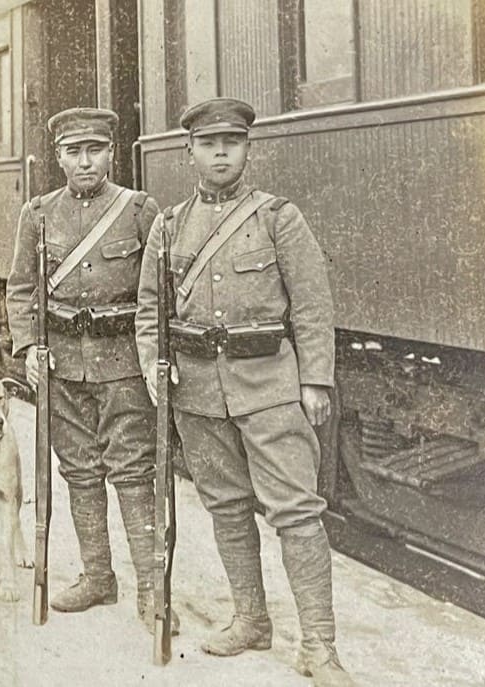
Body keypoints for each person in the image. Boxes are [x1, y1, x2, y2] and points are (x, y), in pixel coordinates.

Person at [135, 98, 352, 686]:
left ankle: (319, 647)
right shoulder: (169, 225)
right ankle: (251, 621)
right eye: (209, 144)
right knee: (226, 509)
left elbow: (311, 306)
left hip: (269, 388)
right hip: (199, 392)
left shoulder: (280, 217)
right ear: (189, 153)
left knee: (298, 514)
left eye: (232, 142)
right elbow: (148, 310)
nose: (221, 152)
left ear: (248, 149)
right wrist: (154, 365)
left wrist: (314, 381)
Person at [5, 107, 177, 632]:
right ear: (58, 157)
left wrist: (153, 356)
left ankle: (152, 591)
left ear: (110, 152)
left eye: (94, 150)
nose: (84, 162)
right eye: (73, 152)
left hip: (122, 364)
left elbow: (160, 294)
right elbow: (20, 289)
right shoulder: (37, 214)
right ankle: (98, 577)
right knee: (79, 471)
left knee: (131, 472)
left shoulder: (140, 211)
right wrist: (30, 345)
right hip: (61, 364)